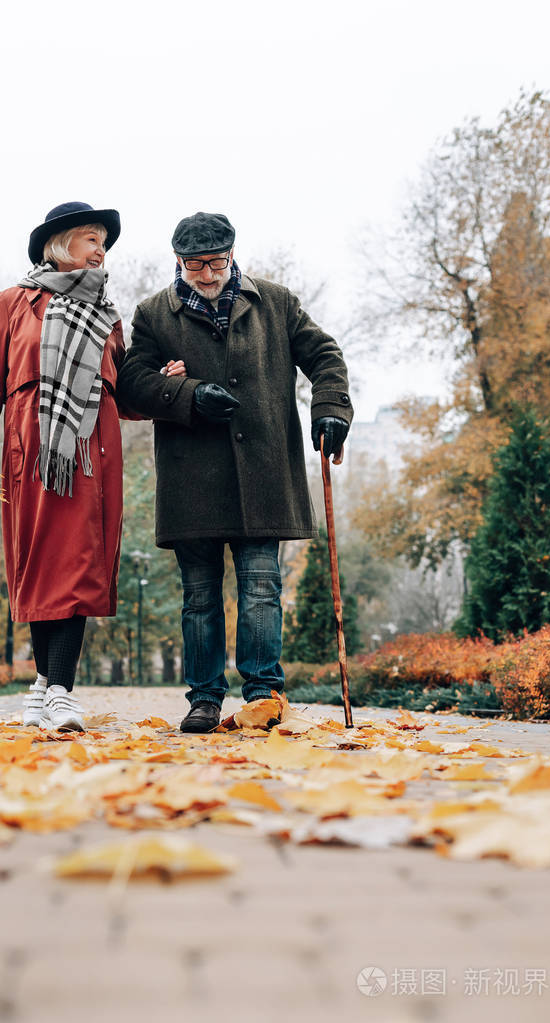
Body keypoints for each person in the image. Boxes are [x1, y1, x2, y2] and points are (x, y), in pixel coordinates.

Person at [117, 212, 352, 732]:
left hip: (265, 473)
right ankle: (203, 698)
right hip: (190, 478)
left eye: (216, 262)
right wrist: (187, 393)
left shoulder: (277, 302)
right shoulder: (154, 313)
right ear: (178, 261)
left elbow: (325, 355)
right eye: (195, 265)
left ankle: (264, 695)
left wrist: (331, 407)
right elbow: (130, 382)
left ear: (232, 255)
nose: (207, 274)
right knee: (199, 596)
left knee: (262, 586)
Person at [0, 201, 155, 731]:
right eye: (92, 239)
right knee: (40, 569)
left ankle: (58, 691)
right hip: (33, 450)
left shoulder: (108, 315)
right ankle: (46, 687)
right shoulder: (12, 303)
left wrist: (164, 382)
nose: (101, 251)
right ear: (60, 244)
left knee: (78, 567)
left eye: (104, 243)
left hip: (92, 454)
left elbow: (126, 395)